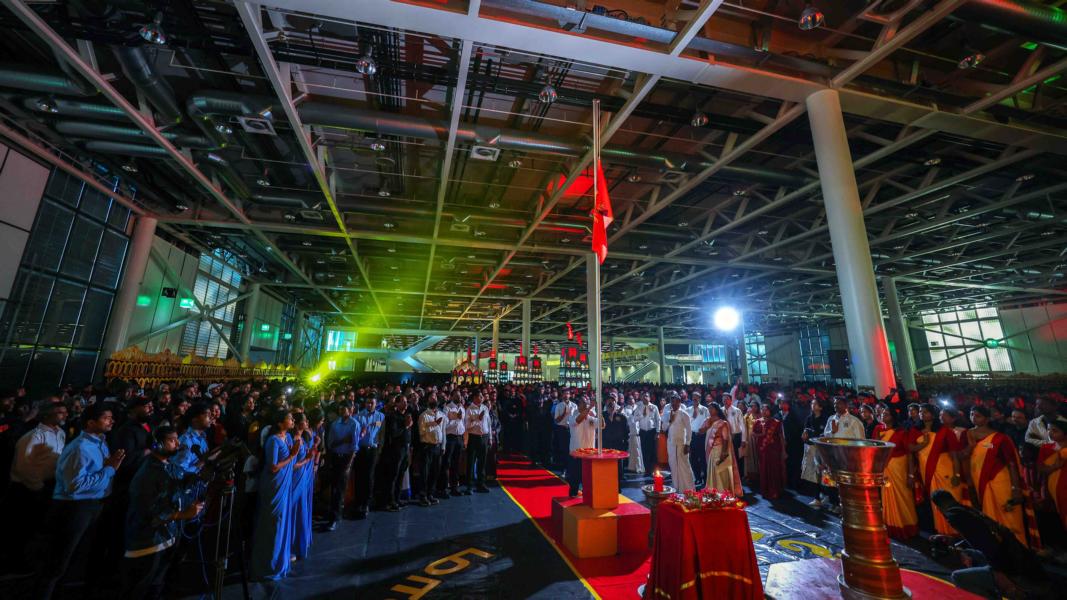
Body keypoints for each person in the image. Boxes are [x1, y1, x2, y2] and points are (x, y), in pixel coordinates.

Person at [36, 402, 125, 600]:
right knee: (59, 560)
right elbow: (75, 485)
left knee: (76, 557)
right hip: (74, 507)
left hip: (93, 504)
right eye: (106, 418)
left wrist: (107, 468)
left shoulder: (101, 442)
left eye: (111, 418)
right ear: (91, 423)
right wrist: (109, 469)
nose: (111, 421)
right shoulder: (80, 448)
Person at [120, 426, 204, 600]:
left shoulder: (168, 466)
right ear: (157, 445)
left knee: (156, 587)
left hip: (165, 538)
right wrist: (183, 515)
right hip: (148, 542)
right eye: (172, 440)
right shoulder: (148, 473)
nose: (178, 444)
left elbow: (180, 481)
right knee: (140, 589)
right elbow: (151, 513)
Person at [931, 491, 1055, 600]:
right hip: (1017, 557)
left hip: (1011, 567)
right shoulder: (965, 509)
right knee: (969, 554)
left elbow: (988, 545)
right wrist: (952, 540)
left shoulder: (954, 516)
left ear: (938, 508)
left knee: (958, 577)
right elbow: (983, 537)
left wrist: (1000, 575)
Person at [3, 400, 67, 570]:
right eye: (60, 412)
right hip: (26, 489)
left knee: (35, 527)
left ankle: (28, 560)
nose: (65, 415)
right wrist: (38, 488)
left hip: (46, 485)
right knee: (20, 528)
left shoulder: (60, 433)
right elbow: (23, 467)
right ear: (47, 415)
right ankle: (13, 564)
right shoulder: (34, 436)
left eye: (65, 411)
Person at [965, 406, 1039, 549]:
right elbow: (961, 456)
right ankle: (1000, 550)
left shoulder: (1000, 438)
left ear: (987, 419)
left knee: (1010, 517)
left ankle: (1019, 550)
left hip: (1001, 482)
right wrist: (970, 447)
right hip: (980, 483)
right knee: (990, 518)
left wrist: (1015, 488)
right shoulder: (967, 435)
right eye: (971, 414)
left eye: (978, 415)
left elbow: (1012, 463)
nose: (973, 417)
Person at [250, 409, 300, 581]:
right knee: (272, 523)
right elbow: (273, 467)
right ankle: (266, 565)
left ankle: (280, 560)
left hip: (284, 484)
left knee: (282, 521)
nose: (293, 420)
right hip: (274, 485)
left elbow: (290, 462)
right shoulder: (273, 440)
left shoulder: (288, 438)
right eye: (289, 418)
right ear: (280, 422)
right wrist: (292, 455)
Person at [914, 404, 966, 537]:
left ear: (933, 415)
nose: (922, 414)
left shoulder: (945, 432)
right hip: (928, 472)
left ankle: (957, 532)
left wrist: (957, 474)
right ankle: (942, 531)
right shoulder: (916, 431)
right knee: (936, 502)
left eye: (926, 412)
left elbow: (954, 455)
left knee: (950, 500)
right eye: (920, 411)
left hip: (945, 472)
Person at [877, 409, 919, 540]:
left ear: (894, 417)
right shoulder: (878, 431)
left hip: (899, 470)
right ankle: (890, 525)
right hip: (885, 470)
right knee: (886, 497)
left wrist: (911, 475)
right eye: (882, 414)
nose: (883, 415)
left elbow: (910, 454)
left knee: (903, 497)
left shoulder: (901, 433)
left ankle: (907, 527)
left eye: (887, 414)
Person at [324, 401, 359, 531]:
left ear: (350, 410)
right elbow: (330, 444)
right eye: (340, 409)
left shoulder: (354, 424)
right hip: (335, 457)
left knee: (340, 489)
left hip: (345, 459)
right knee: (334, 487)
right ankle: (333, 513)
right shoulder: (334, 424)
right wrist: (343, 440)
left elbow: (354, 447)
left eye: (344, 409)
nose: (341, 412)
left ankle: (335, 517)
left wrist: (348, 465)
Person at [290, 412, 316, 561]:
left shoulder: (302, 437)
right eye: (305, 421)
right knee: (294, 511)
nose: (307, 423)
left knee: (300, 510)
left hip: (303, 478)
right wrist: (306, 460)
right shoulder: (294, 439)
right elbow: (292, 465)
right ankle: (291, 547)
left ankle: (299, 545)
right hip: (296, 479)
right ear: (299, 424)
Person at [353, 397, 384, 519]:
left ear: (376, 404)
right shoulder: (358, 416)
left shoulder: (381, 416)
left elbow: (382, 434)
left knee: (369, 476)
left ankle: (366, 503)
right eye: (368, 402)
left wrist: (380, 449)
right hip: (361, 449)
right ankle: (358, 502)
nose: (369, 404)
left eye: (372, 402)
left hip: (373, 449)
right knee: (359, 476)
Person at [704, 403, 742, 496]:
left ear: (717, 410)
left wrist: (724, 453)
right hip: (712, 450)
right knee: (713, 471)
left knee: (721, 471)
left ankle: (722, 493)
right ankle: (713, 491)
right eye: (709, 409)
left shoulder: (723, 423)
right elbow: (701, 431)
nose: (709, 410)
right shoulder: (710, 422)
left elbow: (725, 439)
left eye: (712, 408)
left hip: (720, 449)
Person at [1037, 418, 1067, 531]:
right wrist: (1055, 467)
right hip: (1055, 488)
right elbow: (1040, 469)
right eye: (1049, 429)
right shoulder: (1046, 448)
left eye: (1055, 430)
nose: (1050, 433)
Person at [661, 393, 695, 493]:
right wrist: (670, 420)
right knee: (673, 466)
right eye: (672, 402)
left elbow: (689, 430)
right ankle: (676, 488)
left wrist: (687, 444)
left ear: (680, 402)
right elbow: (663, 428)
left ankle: (688, 489)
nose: (674, 404)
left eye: (676, 402)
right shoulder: (667, 413)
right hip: (671, 443)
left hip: (681, 444)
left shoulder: (684, 414)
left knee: (684, 466)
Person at [566, 396, 598, 497]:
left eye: (587, 403)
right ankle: (572, 496)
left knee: (588, 479)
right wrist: (589, 408)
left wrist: (599, 410)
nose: (586, 405)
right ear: (578, 405)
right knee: (574, 479)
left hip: (589, 453)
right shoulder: (573, 415)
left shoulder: (591, 417)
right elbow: (578, 420)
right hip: (576, 454)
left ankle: (587, 496)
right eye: (584, 403)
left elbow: (602, 425)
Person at [754, 403, 786, 500]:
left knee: (774, 469)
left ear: (770, 411)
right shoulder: (757, 422)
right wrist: (762, 434)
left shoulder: (776, 422)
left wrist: (784, 451)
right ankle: (765, 490)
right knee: (763, 469)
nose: (764, 411)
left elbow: (781, 437)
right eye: (762, 409)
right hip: (762, 449)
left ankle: (775, 491)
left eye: (766, 410)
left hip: (774, 449)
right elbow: (753, 434)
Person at [417, 395, 445, 507]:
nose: (434, 400)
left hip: (438, 447)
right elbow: (421, 432)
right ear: (428, 401)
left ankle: (430, 494)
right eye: (432, 398)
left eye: (435, 398)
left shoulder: (441, 414)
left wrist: (443, 446)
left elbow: (443, 431)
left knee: (435, 471)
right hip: (427, 447)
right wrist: (433, 424)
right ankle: (422, 496)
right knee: (425, 472)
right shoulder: (424, 415)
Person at [439, 391, 466, 498]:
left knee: (456, 464)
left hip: (459, 438)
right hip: (450, 438)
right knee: (446, 463)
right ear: (452, 397)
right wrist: (455, 418)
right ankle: (444, 489)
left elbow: (463, 424)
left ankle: (454, 487)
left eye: (460, 395)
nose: (459, 397)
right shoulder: (447, 408)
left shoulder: (462, 408)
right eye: (457, 395)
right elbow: (445, 425)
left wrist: (463, 438)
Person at [802, 397, 829, 500]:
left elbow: (825, 434)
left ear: (821, 407)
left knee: (822, 471)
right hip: (811, 447)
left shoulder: (825, 419)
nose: (812, 406)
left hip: (821, 448)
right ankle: (817, 497)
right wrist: (805, 434)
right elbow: (805, 430)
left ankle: (827, 494)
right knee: (813, 473)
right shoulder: (809, 418)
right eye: (812, 404)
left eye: (815, 404)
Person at [465, 392, 492, 494]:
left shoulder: (485, 408)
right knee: (471, 462)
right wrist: (477, 418)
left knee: (482, 462)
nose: (482, 398)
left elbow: (488, 424)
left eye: (482, 396)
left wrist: (490, 437)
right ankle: (469, 486)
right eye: (480, 396)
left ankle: (481, 484)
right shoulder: (469, 409)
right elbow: (467, 426)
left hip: (484, 437)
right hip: (473, 438)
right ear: (475, 398)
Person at [635, 392, 660, 477]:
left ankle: (655, 470)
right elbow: (635, 419)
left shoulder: (654, 407)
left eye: (646, 396)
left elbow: (658, 419)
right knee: (644, 451)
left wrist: (657, 432)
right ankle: (647, 470)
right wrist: (642, 415)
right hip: (643, 432)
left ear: (649, 397)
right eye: (643, 396)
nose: (645, 398)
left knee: (653, 451)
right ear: (641, 398)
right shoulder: (639, 407)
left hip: (652, 431)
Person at [723, 392, 747, 478]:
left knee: (737, 457)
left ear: (731, 400)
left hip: (736, 436)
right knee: (726, 456)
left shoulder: (737, 410)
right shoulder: (720, 410)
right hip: (724, 437)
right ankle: (729, 476)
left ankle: (739, 476)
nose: (725, 401)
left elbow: (743, 426)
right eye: (723, 399)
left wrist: (743, 440)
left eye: (727, 399)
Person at [687, 393, 709, 488]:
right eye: (693, 398)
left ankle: (705, 479)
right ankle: (697, 477)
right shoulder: (688, 410)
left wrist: (703, 430)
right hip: (692, 436)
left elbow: (708, 422)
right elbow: (687, 423)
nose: (695, 400)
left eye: (696, 398)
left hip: (702, 436)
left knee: (703, 458)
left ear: (700, 399)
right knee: (693, 459)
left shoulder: (705, 409)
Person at [624, 395, 644, 475]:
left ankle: (639, 467)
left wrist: (638, 416)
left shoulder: (637, 407)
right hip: (631, 432)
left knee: (639, 450)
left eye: (632, 398)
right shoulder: (626, 409)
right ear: (627, 401)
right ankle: (633, 467)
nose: (631, 400)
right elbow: (627, 420)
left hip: (639, 431)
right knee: (633, 450)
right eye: (629, 399)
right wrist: (632, 414)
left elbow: (641, 416)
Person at [742, 401, 760, 485]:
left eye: (755, 406)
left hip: (758, 437)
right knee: (750, 456)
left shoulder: (760, 415)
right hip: (749, 437)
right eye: (751, 406)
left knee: (758, 456)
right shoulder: (747, 415)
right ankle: (750, 476)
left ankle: (759, 474)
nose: (753, 407)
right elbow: (743, 427)